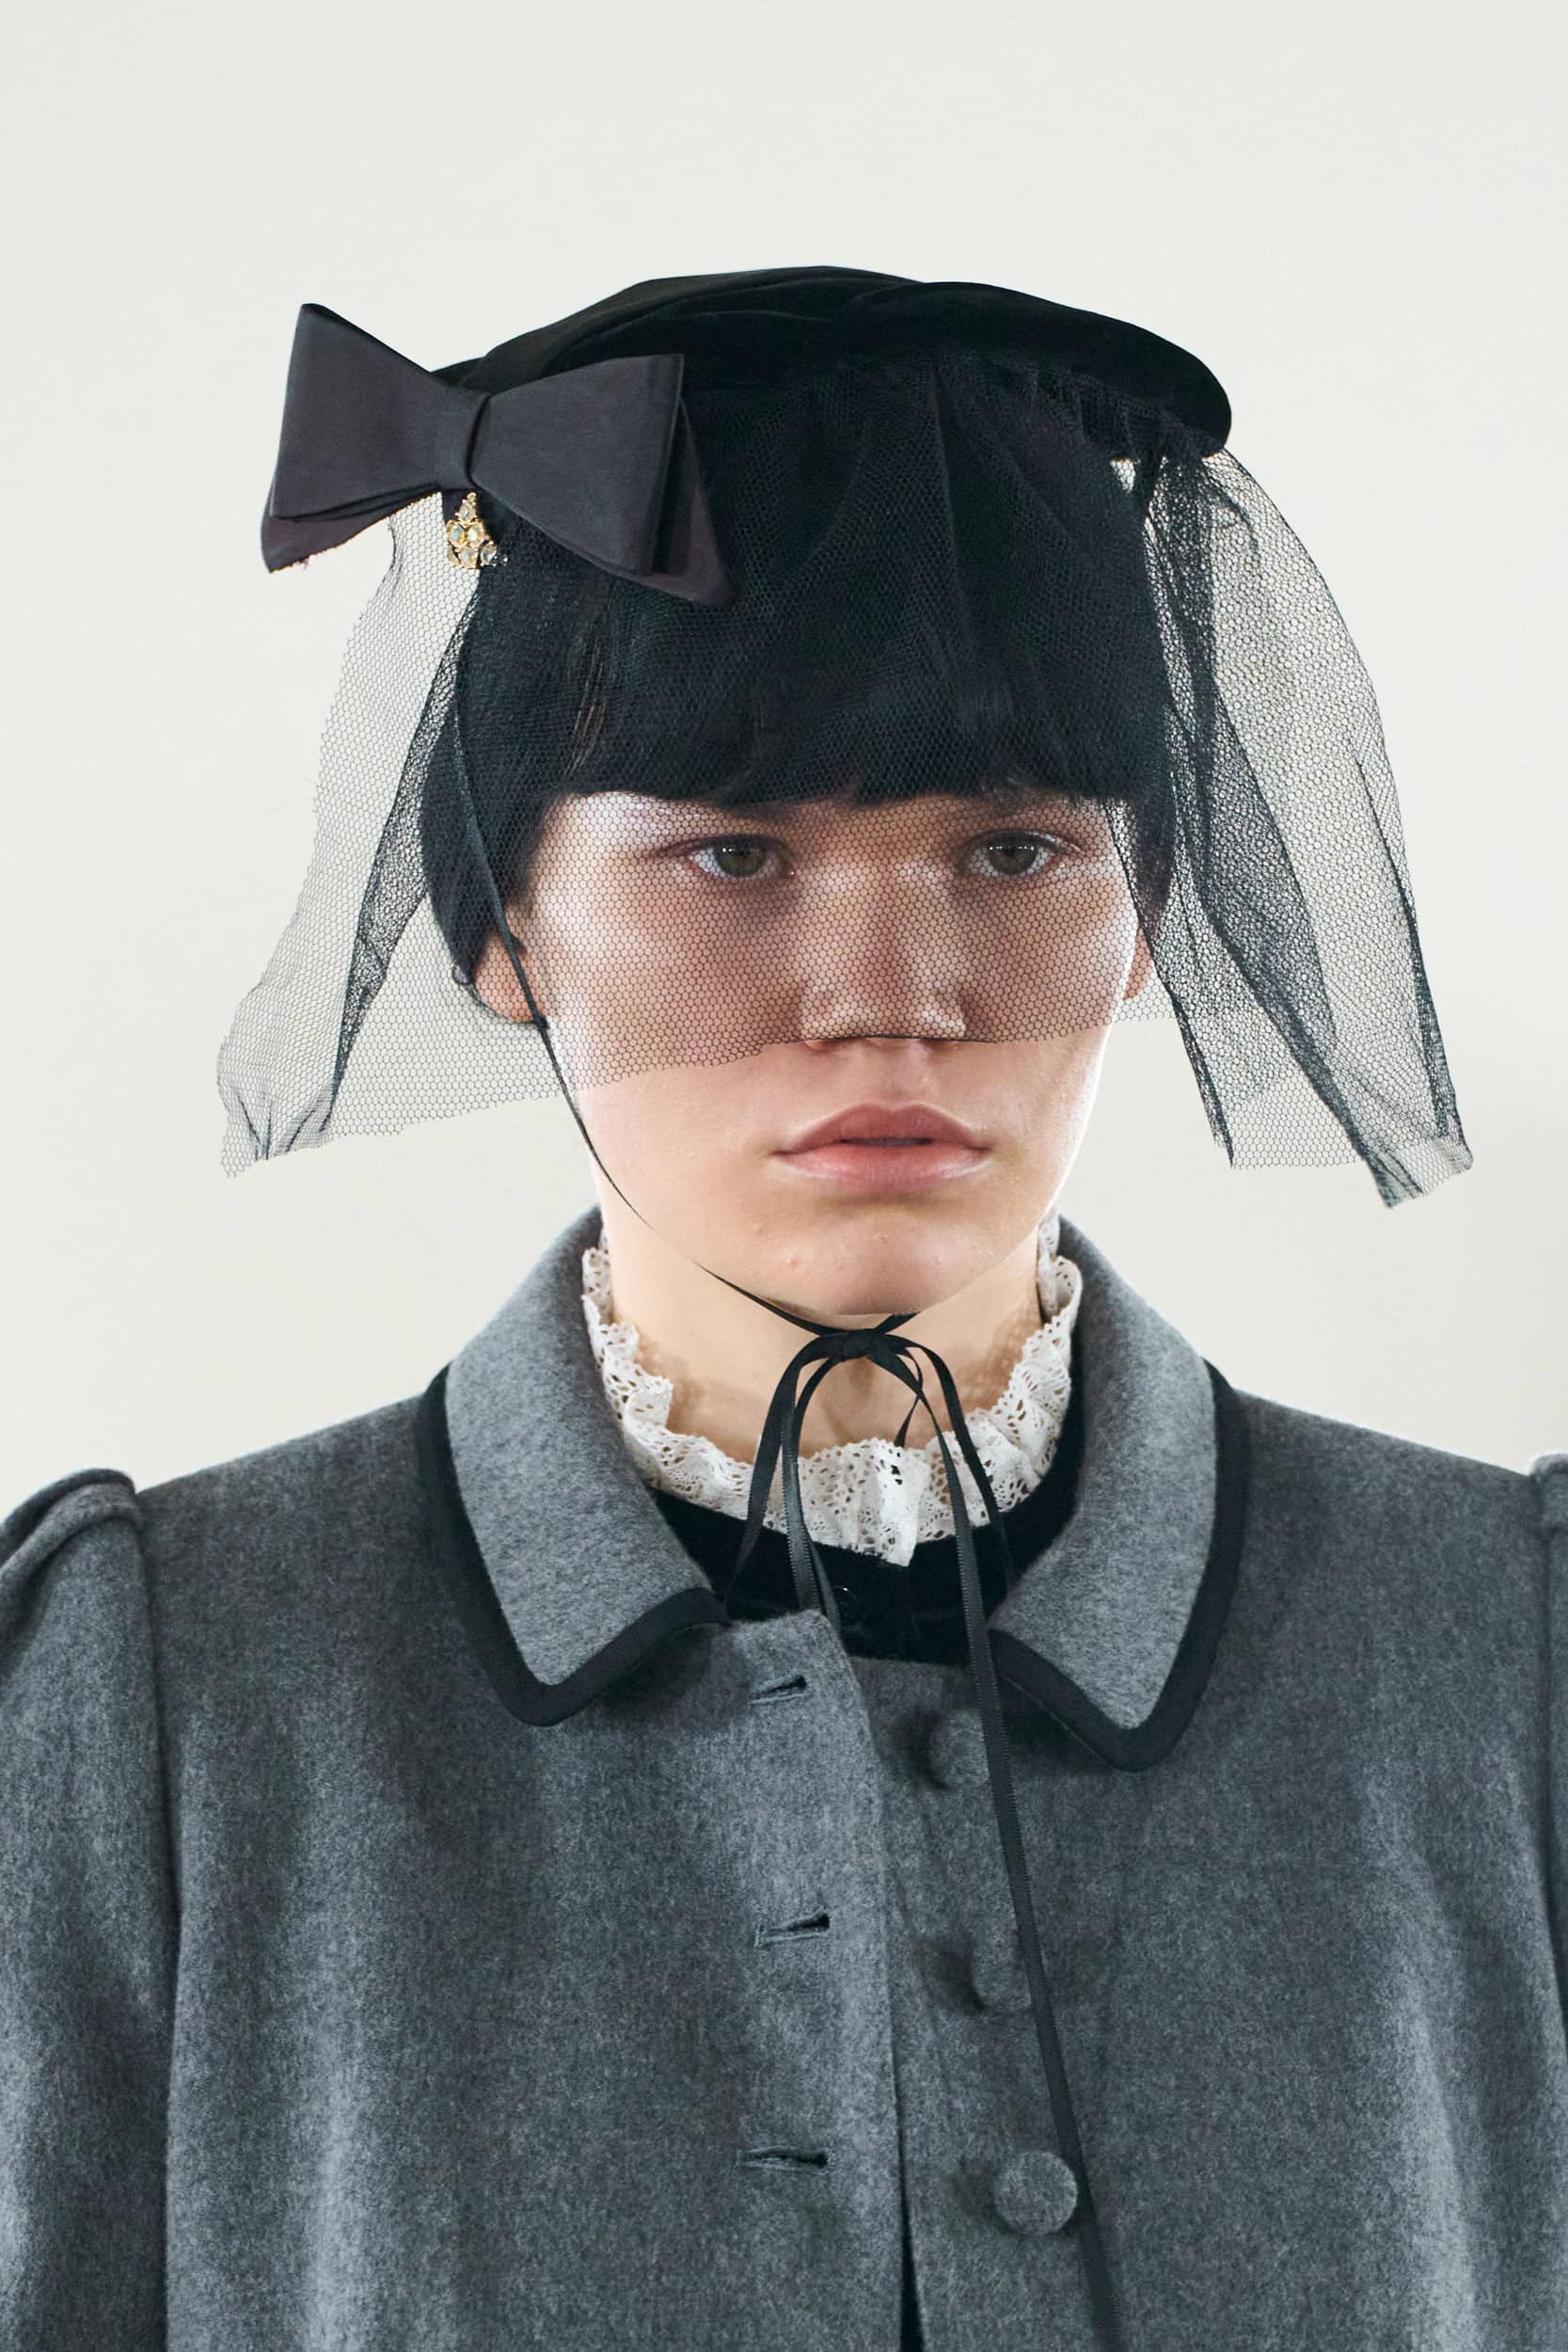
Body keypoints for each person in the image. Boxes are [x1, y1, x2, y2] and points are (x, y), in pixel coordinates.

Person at [3, 264, 1564, 2352]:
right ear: (497, 920)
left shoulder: (1510, 1653)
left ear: (1152, 915)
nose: (888, 999)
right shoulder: (160, 1696)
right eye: (736, 858)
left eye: (1014, 851)